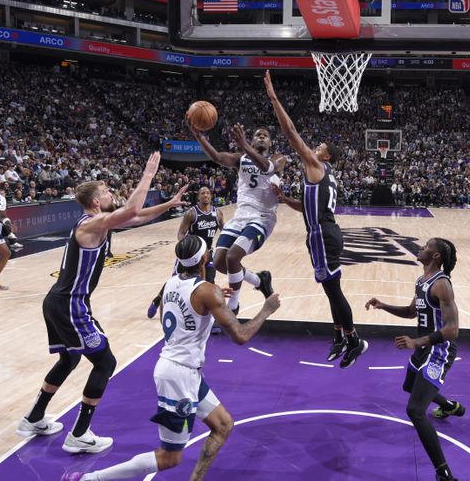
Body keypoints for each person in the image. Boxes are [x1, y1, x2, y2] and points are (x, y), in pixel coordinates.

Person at [63, 235, 281, 481]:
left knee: (223, 425)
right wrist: (266, 309)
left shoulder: (171, 283)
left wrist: (212, 300)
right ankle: (91, 479)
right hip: (178, 376)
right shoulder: (206, 291)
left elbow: (180, 311)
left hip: (182, 370)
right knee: (169, 458)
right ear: (205, 258)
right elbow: (241, 335)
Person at [16, 153, 188, 453]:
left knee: (69, 359)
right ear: (96, 201)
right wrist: (148, 174)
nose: (112, 195)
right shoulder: (91, 225)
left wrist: (168, 205)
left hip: (58, 301)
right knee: (105, 362)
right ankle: (79, 434)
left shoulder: (98, 223)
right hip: (71, 304)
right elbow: (132, 208)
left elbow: (136, 216)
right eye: (107, 192)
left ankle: (33, 418)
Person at [264, 70, 367, 368]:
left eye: (320, 147)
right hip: (322, 231)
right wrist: (284, 200)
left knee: (333, 291)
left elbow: (291, 131)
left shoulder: (316, 165)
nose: (316, 146)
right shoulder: (323, 174)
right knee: (330, 289)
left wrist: (273, 96)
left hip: (322, 234)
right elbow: (309, 207)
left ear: (326, 157)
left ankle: (353, 339)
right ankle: (339, 336)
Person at [365, 238, 462, 481]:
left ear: (436, 256)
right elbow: (411, 313)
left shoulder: (441, 285)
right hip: (423, 348)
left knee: (415, 411)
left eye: (428, 246)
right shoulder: (421, 281)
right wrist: (383, 305)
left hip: (438, 350)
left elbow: (452, 330)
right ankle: (450, 406)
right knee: (409, 386)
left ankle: (444, 473)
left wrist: (416, 342)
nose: (422, 247)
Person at [190, 122, 283, 313]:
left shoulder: (278, 158)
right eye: (257, 134)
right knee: (219, 262)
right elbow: (216, 157)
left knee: (233, 257)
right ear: (251, 140)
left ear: (271, 142)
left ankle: (233, 306)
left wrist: (244, 145)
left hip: (263, 217)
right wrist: (199, 136)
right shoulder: (241, 158)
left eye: (265, 135)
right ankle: (260, 280)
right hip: (241, 216)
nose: (261, 137)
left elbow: (267, 167)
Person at [147, 186, 224, 318]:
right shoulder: (191, 213)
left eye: (207, 193)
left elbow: (225, 231)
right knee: (175, 280)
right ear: (198, 197)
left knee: (210, 282)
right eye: (202, 193)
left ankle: (207, 317)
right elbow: (181, 233)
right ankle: (157, 300)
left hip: (207, 253)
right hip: (191, 253)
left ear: (211, 196)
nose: (205, 195)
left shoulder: (218, 213)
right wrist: (186, 248)